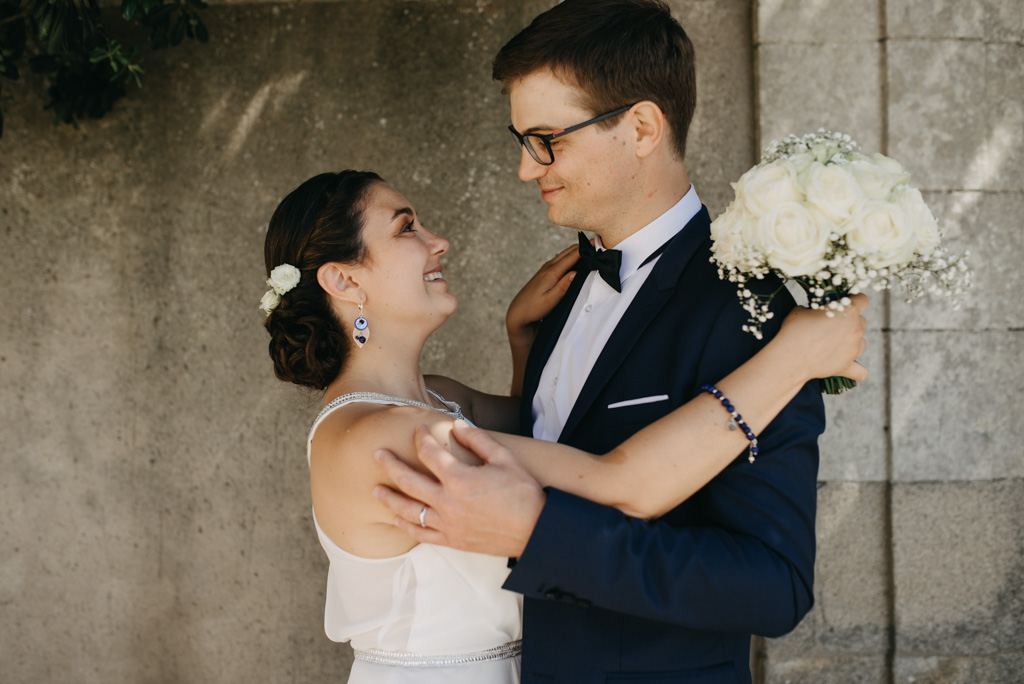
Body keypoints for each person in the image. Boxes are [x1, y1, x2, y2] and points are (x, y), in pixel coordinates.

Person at [373, 1, 839, 682]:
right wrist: (523, 351)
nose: (527, 170)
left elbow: (774, 585)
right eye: (522, 142)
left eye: (546, 140)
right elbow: (564, 451)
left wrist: (541, 536)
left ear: (642, 126)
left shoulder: (744, 309)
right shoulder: (560, 294)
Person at [263, 170, 868, 683]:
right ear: (345, 280)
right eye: (406, 227)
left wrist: (524, 341)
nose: (437, 241)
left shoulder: (438, 401)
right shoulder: (383, 437)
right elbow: (620, 482)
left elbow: (550, 430)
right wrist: (792, 359)